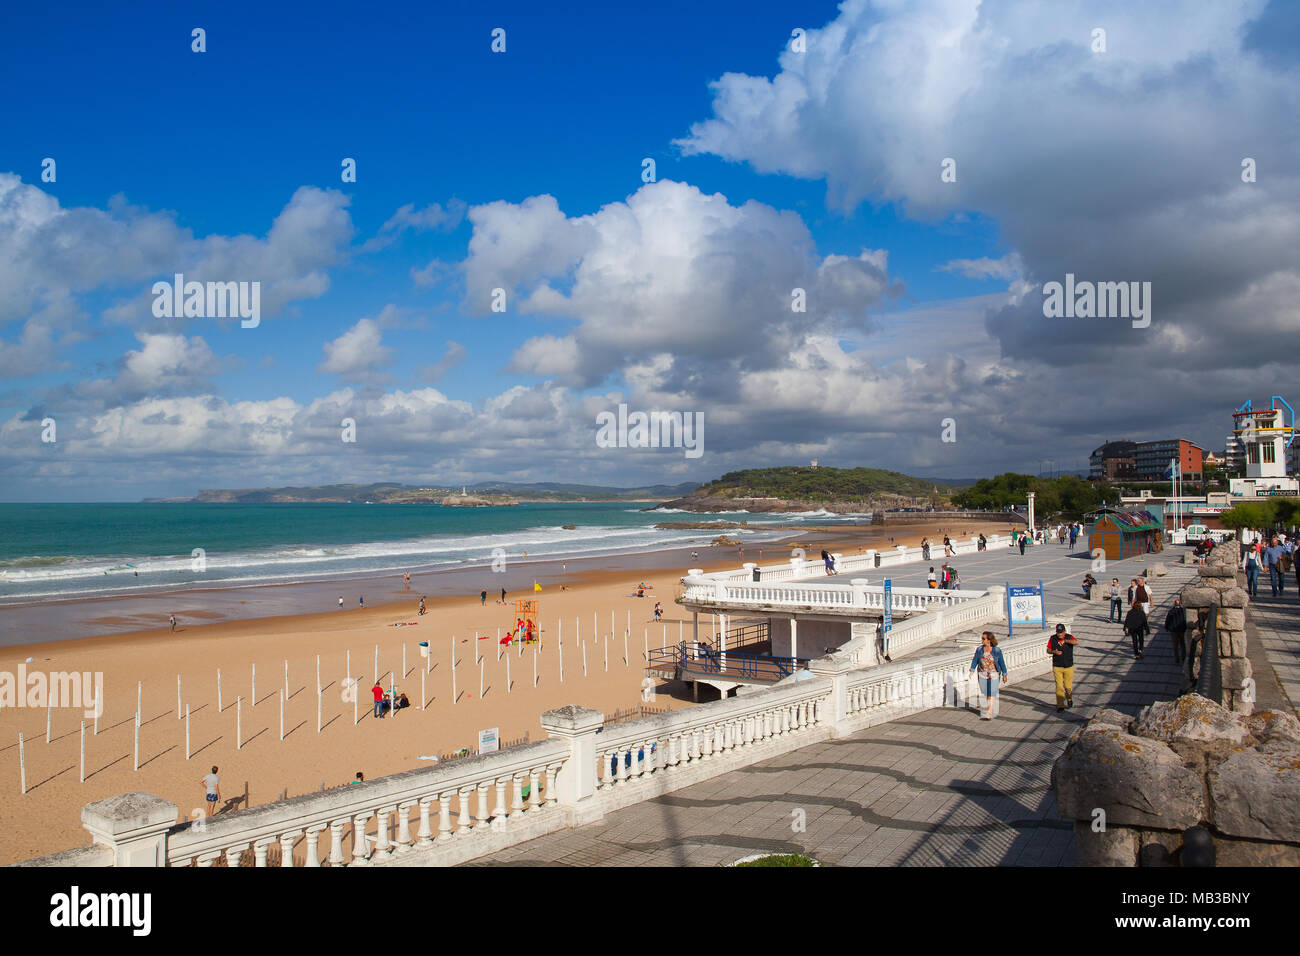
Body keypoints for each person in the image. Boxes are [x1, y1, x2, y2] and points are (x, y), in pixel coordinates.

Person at [969, 631, 1006, 720]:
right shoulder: (979, 650)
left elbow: (1001, 663)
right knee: (985, 692)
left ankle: (989, 711)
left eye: (983, 639)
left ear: (989, 640)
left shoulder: (996, 650)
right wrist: (972, 670)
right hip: (982, 674)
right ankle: (989, 707)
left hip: (994, 674)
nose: (982, 640)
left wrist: (1004, 674)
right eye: (982, 638)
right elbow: (975, 660)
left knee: (992, 692)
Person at [1048, 623, 1078, 712]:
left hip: (1068, 666)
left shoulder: (1069, 637)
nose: (1059, 634)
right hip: (1057, 666)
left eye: (1061, 632)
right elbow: (1048, 650)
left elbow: (1076, 642)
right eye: (1058, 632)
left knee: (1068, 687)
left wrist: (1066, 641)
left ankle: (1069, 699)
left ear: (1064, 632)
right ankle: (1060, 705)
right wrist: (1054, 652)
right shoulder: (1052, 638)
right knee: (1059, 686)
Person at [1164, 596, 1188, 665]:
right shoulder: (1183, 611)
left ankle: (1176, 658)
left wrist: (1167, 628)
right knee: (1183, 644)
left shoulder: (1171, 611)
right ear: (1180, 604)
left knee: (1175, 645)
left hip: (1174, 630)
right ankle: (1183, 657)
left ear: (1174, 604)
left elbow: (1168, 620)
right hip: (1182, 630)